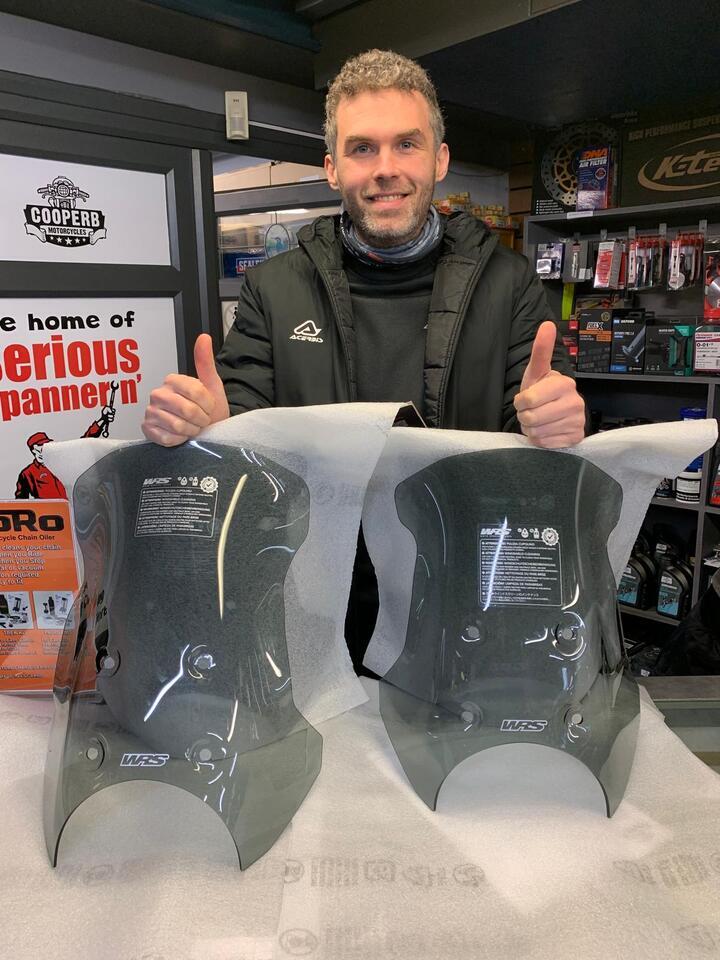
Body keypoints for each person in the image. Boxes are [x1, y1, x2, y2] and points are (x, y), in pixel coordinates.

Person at [142, 49, 586, 666]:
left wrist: (556, 425)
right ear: (332, 168)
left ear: (439, 159)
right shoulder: (273, 289)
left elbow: (535, 436)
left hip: (462, 602)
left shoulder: (509, 285)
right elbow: (245, 436)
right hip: (313, 606)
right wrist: (211, 427)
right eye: (362, 149)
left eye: (406, 144)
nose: (385, 169)